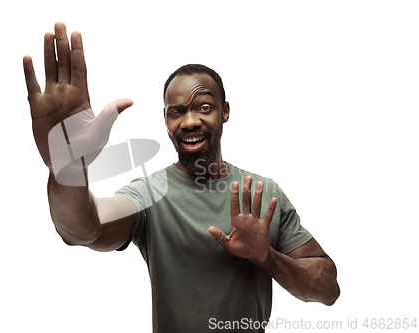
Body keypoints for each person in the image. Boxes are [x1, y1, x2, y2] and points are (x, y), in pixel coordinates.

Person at [23, 22, 340, 333]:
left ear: (224, 111)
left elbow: (328, 289)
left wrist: (269, 259)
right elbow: (82, 230)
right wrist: (67, 170)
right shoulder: (150, 192)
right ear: (165, 118)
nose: (189, 121)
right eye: (177, 111)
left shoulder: (262, 193)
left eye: (203, 107)